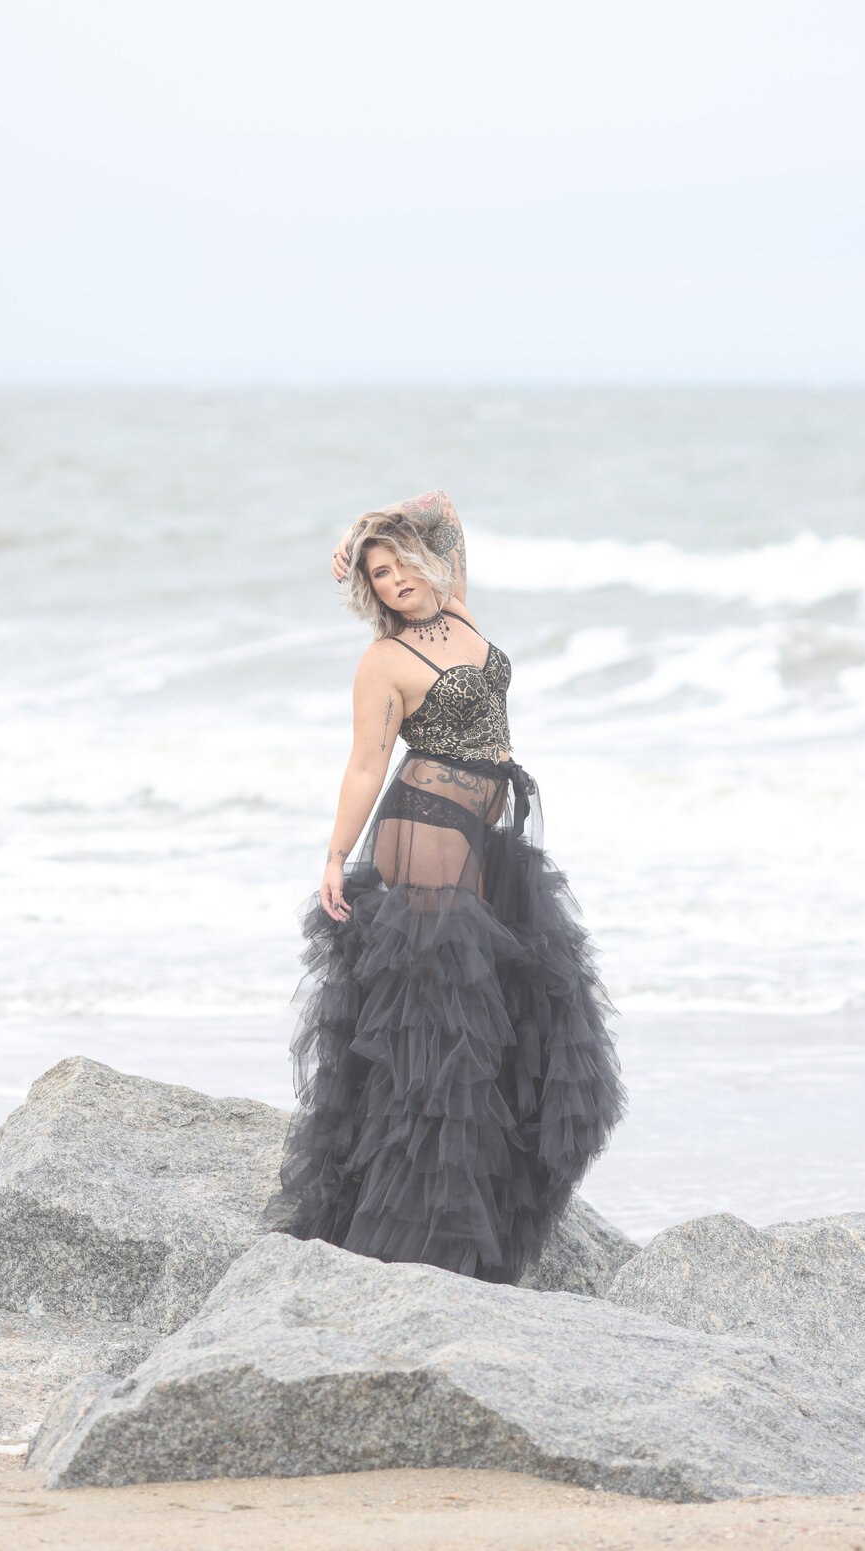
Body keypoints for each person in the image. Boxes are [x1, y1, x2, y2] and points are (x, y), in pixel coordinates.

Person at [263, 489, 625, 1283]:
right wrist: (334, 854)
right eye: (378, 576)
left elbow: (447, 506)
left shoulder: (458, 603)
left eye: (398, 565)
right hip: (423, 825)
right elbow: (366, 764)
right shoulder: (383, 660)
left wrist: (362, 528)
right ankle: (418, 1237)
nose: (393, 582)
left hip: (483, 834)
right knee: (440, 1037)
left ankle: (471, 1213)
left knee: (504, 1021)